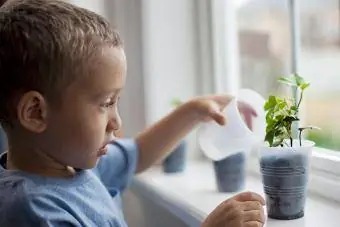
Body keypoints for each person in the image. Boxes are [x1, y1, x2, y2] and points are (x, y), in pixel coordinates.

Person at [0, 0, 265, 226]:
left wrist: (192, 112)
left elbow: (138, 153)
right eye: (105, 103)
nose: (116, 121)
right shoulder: (35, 211)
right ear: (35, 113)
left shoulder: (71, 165)